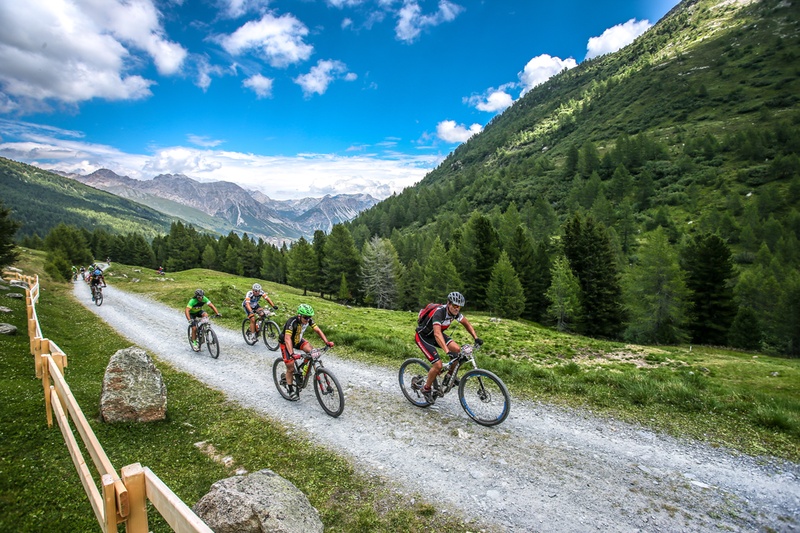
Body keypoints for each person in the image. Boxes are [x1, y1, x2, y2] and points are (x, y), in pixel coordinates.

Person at [414, 291, 482, 403]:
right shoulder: (439, 313)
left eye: (459, 306)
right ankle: (426, 389)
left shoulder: (455, 313)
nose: (457, 309)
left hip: (436, 335)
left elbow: (466, 323)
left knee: (457, 350)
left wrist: (476, 337)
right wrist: (446, 351)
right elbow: (437, 334)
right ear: (448, 303)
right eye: (455, 305)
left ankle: (449, 376)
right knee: (438, 365)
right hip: (423, 337)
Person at [279, 304, 334, 400]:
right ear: (299, 315)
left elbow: (318, 330)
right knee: (290, 368)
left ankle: (305, 371)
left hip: (298, 340)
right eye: (305, 317)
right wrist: (292, 354)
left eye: (309, 317)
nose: (307, 319)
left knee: (312, 352)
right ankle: (291, 390)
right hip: (286, 343)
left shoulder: (309, 320)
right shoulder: (292, 322)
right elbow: (287, 339)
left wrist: (327, 342)